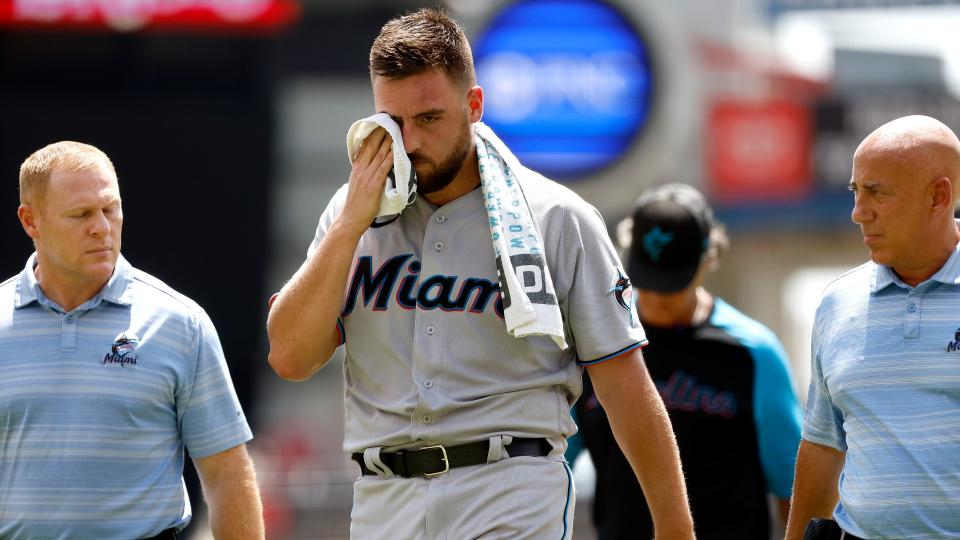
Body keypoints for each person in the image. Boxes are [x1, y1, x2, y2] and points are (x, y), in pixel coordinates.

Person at [266, 8, 694, 539]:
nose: (410, 141)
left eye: (429, 118)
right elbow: (290, 356)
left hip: (507, 487)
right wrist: (351, 225)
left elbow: (626, 388)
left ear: (474, 106)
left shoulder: (557, 217)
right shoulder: (352, 215)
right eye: (392, 122)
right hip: (384, 497)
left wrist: (675, 530)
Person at [0, 141, 264, 539]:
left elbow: (227, 474)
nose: (102, 227)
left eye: (110, 209)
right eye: (81, 214)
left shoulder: (181, 323)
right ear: (30, 221)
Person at [570, 183, 803, 539]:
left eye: (672, 283)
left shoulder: (751, 352)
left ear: (709, 258)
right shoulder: (598, 344)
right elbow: (552, 460)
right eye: (648, 281)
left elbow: (793, 486)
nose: (658, 297)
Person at [785, 115, 960, 539]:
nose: (858, 213)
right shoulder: (836, 302)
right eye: (856, 191)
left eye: (877, 193)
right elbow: (823, 445)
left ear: (938, 197)